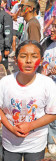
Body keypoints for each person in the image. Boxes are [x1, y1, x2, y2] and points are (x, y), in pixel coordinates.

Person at [0, 40, 56, 161]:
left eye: (34, 56)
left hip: (36, 143)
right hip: (10, 143)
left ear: (41, 61)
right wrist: (11, 128)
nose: (28, 61)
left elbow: (52, 113)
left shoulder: (48, 84)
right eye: (23, 56)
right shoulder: (5, 83)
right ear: (16, 60)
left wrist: (31, 125)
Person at [42, 16, 56, 154]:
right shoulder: (48, 45)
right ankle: (50, 140)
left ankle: (52, 141)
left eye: (55, 26)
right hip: (47, 87)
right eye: (52, 26)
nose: (52, 29)